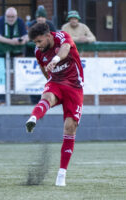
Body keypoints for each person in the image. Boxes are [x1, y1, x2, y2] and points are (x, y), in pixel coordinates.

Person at [25, 23, 84, 186]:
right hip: (56, 82)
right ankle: (33, 118)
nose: (37, 46)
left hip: (74, 86)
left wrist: (55, 60)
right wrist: (50, 79)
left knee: (70, 127)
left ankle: (61, 174)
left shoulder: (62, 36)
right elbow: (44, 68)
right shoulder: (39, 52)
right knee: (47, 97)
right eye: (35, 43)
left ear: (48, 36)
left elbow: (65, 49)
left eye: (39, 41)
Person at [0, 7, 28, 105]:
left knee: (20, 69)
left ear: (16, 16)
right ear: (5, 16)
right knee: (0, 74)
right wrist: (12, 42)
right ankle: (1, 99)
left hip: (15, 50)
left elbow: (26, 35)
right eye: (8, 17)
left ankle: (19, 93)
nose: (10, 19)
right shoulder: (0, 21)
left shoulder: (20, 21)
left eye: (12, 17)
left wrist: (24, 40)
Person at [26, 5, 56, 104]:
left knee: (48, 77)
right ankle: (34, 100)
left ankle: (48, 99)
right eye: (38, 17)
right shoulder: (32, 25)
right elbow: (28, 39)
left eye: (42, 17)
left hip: (47, 57)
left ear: (45, 18)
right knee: (32, 78)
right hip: (33, 56)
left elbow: (54, 39)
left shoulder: (50, 25)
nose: (40, 19)